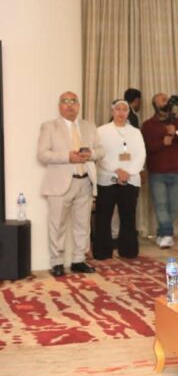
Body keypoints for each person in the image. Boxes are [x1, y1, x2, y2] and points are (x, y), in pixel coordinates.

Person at [37, 91, 104, 276]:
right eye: (65, 101)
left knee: (83, 224)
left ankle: (78, 260)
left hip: (86, 182)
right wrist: (68, 157)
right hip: (60, 184)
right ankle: (57, 262)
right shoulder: (50, 127)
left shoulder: (89, 126)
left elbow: (101, 150)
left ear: (78, 105)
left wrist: (91, 154)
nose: (70, 105)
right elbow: (42, 154)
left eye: (73, 101)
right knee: (57, 225)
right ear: (60, 106)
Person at [93, 100, 146, 260]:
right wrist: (117, 170)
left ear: (128, 112)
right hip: (107, 178)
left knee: (128, 216)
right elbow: (101, 154)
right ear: (112, 111)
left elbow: (141, 154)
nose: (121, 112)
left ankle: (128, 250)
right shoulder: (101, 131)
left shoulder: (135, 132)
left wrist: (128, 172)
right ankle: (102, 252)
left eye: (124, 109)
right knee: (103, 216)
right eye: (118, 109)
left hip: (130, 179)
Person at [141, 93, 178, 248]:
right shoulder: (148, 125)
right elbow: (146, 148)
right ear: (155, 105)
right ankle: (168, 234)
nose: (166, 102)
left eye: (166, 99)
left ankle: (162, 233)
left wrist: (175, 132)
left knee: (173, 206)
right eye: (162, 100)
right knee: (160, 204)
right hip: (157, 172)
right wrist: (162, 142)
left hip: (176, 171)